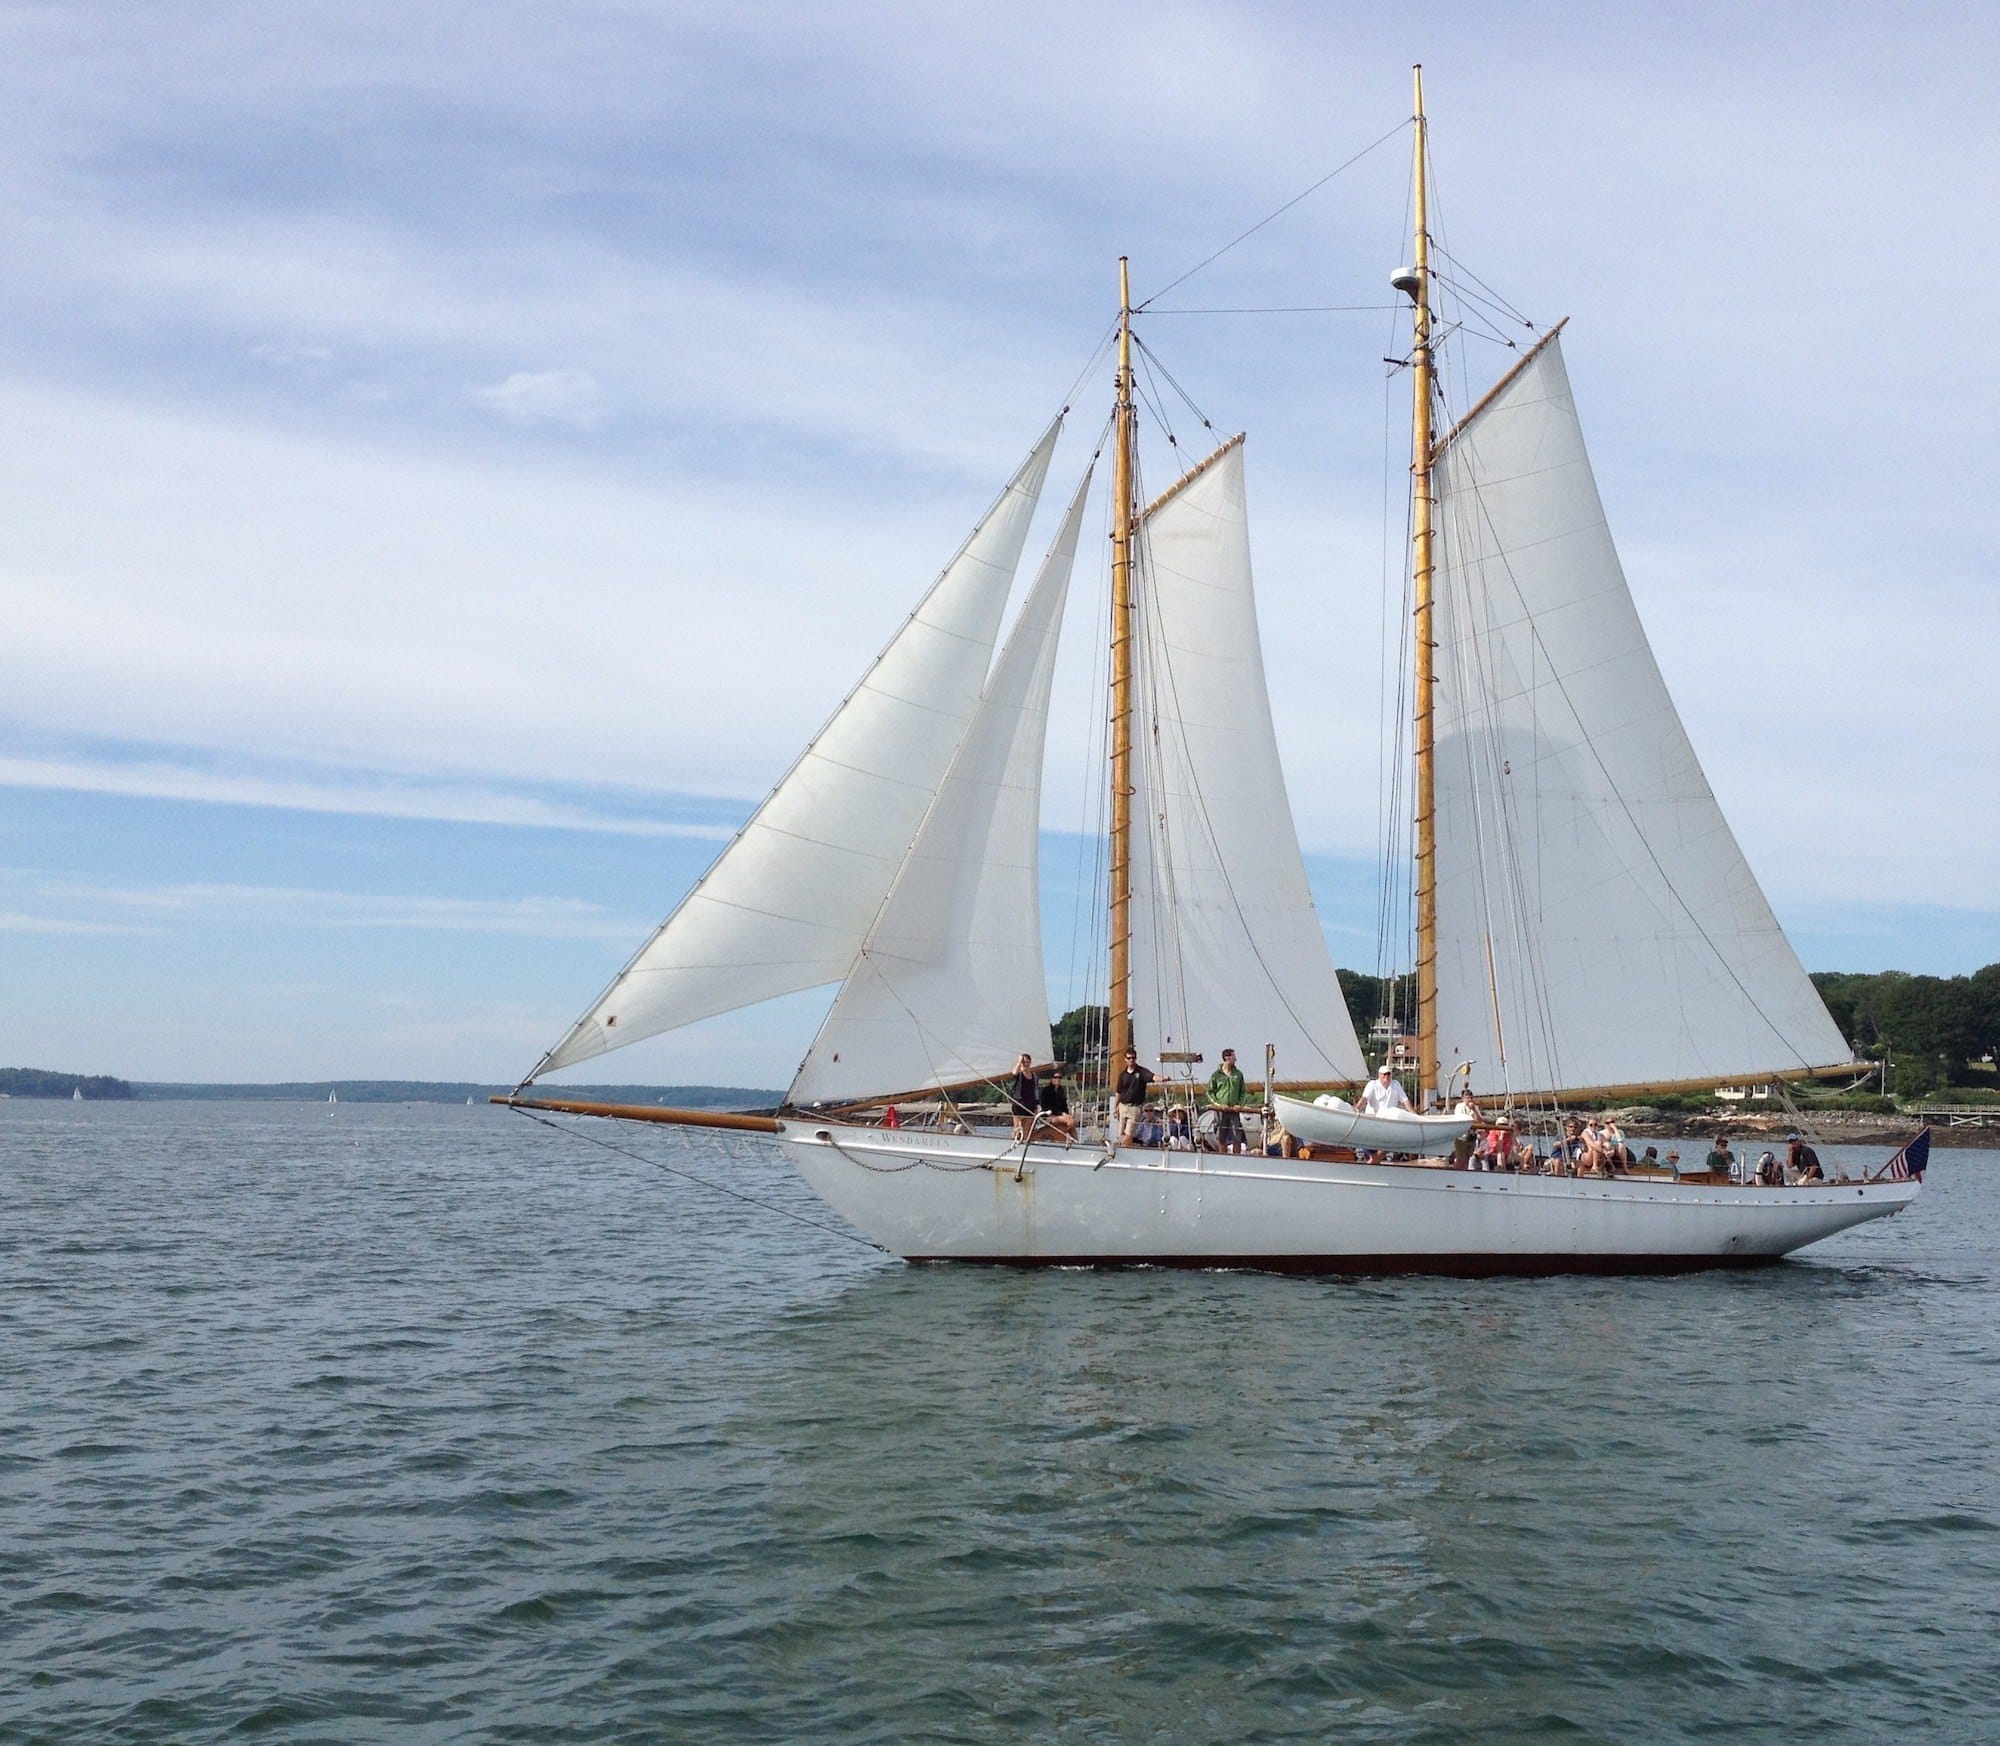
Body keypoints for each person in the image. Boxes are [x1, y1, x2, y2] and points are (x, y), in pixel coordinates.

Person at [1206, 1049, 1249, 1155]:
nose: (1236, 1059)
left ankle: (1236, 1157)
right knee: (1221, 1135)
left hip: (1234, 1110)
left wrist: (1240, 1104)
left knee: (1237, 1136)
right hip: (1221, 1110)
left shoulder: (1238, 1074)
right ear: (1227, 1058)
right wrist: (1218, 1105)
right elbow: (1210, 1092)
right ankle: (1223, 1156)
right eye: (1234, 1057)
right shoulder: (1216, 1075)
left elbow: (1243, 1092)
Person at [1114, 1048, 1156, 1144]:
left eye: (1133, 1058)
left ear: (1136, 1058)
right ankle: (1121, 1146)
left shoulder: (1141, 1072)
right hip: (1123, 1106)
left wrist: (1162, 1078)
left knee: (1129, 1133)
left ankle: (1121, 1149)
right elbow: (1118, 1092)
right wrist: (1115, 1107)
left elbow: (1152, 1076)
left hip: (1134, 1107)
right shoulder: (1122, 1075)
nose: (1131, 1060)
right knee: (1120, 1134)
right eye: (1129, 1058)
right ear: (1125, 1059)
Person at [1036, 1070, 1076, 1143]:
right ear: (1051, 1079)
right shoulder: (1046, 1091)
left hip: (1059, 1115)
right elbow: (1046, 1106)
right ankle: (1062, 1133)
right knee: (1070, 1122)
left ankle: (1076, 1143)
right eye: (1055, 1077)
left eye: (1059, 1077)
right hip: (1049, 1116)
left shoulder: (1061, 1090)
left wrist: (1066, 1113)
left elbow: (1064, 1105)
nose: (1057, 1079)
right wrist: (1062, 1114)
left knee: (1072, 1124)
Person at [1007, 1053, 1038, 1142]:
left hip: (1030, 1106)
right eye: (1024, 1062)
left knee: (1027, 1130)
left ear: (1030, 1063)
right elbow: (1014, 1073)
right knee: (1017, 1128)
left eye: (1027, 1062)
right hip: (1019, 1105)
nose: (1025, 1064)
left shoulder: (1034, 1076)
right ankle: (1013, 1142)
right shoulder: (1019, 1074)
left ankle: (1025, 1144)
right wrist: (1019, 1062)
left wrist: (1036, 1106)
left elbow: (1035, 1091)